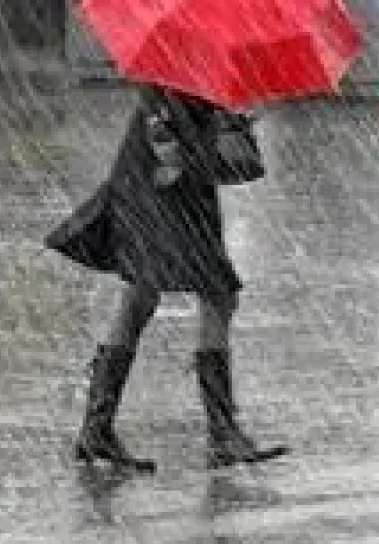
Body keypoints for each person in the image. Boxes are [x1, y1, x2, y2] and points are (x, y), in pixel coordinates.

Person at [45, 85, 289, 472]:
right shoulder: (180, 76)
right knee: (213, 293)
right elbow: (176, 148)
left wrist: (233, 121)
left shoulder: (192, 77)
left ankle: (98, 428)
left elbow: (209, 150)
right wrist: (218, 130)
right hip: (162, 189)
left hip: (158, 186)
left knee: (146, 297)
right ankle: (220, 433)